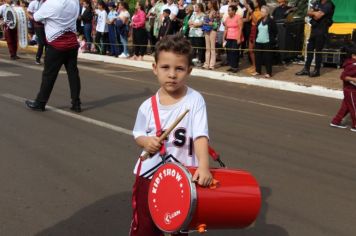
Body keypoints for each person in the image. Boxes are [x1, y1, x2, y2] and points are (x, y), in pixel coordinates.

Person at [129, 33, 213, 236]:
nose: (172, 74)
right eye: (165, 67)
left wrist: (203, 166)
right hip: (149, 175)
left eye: (180, 69)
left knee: (181, 226)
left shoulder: (195, 100)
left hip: (183, 177)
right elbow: (138, 133)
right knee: (146, 227)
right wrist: (146, 142)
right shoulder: (146, 106)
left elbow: (201, 135)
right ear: (155, 68)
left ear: (189, 71)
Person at [25, 0, 82, 113]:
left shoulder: (51, 3)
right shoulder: (75, 1)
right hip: (72, 42)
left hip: (56, 44)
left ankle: (40, 102)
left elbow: (36, 17)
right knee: (73, 74)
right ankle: (76, 103)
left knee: (49, 75)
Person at [296, 0, 335, 78]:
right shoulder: (317, 2)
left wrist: (313, 13)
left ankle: (317, 70)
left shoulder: (329, 4)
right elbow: (308, 12)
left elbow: (318, 17)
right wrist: (315, 13)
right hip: (313, 30)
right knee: (309, 50)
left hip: (322, 31)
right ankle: (306, 69)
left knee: (318, 52)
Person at [330, 46, 356, 132]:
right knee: (354, 107)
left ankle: (336, 121)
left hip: (351, 90)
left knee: (346, 107)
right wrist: (353, 79)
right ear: (353, 55)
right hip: (351, 90)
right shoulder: (352, 65)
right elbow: (343, 76)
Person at [253, 5, 277, 78]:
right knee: (257, 57)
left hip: (267, 42)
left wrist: (271, 39)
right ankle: (258, 71)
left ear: (267, 13)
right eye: (261, 11)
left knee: (268, 58)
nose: (261, 13)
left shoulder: (271, 21)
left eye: (263, 11)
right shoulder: (260, 20)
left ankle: (268, 73)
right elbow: (257, 31)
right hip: (258, 41)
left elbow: (275, 31)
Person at [223, 4, 243, 73]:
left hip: (235, 37)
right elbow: (225, 29)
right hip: (228, 37)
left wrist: (238, 38)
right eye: (228, 11)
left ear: (234, 11)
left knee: (234, 52)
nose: (228, 12)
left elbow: (240, 28)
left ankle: (235, 67)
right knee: (229, 51)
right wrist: (223, 38)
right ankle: (231, 66)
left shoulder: (238, 17)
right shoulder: (227, 18)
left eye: (230, 10)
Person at [27, 0, 46, 64]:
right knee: (41, 42)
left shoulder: (47, 2)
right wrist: (33, 18)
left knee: (48, 42)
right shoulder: (33, 3)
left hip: (47, 24)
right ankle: (38, 58)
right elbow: (28, 13)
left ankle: (47, 58)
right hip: (37, 24)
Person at [202, 0, 219, 70]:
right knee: (207, 48)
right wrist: (206, 23)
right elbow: (204, 21)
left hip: (213, 31)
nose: (207, 4)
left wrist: (212, 24)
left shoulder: (216, 12)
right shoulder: (206, 12)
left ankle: (212, 65)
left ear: (212, 4)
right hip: (206, 30)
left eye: (208, 3)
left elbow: (217, 24)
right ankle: (206, 63)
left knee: (212, 48)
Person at [188, 3, 205, 67]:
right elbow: (189, 22)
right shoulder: (193, 14)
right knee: (193, 48)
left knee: (200, 48)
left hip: (199, 34)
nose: (194, 8)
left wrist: (194, 24)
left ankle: (200, 61)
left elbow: (200, 24)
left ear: (199, 8)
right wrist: (194, 24)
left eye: (196, 7)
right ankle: (193, 61)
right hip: (192, 34)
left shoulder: (203, 15)